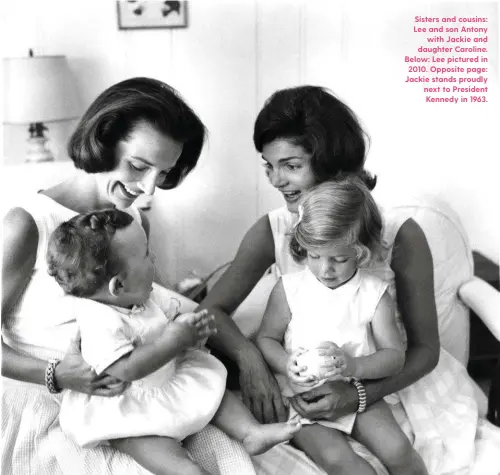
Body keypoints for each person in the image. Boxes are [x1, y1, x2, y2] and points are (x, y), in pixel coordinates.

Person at [1, 77, 254, 474]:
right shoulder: (27, 224)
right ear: (104, 140)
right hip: (58, 400)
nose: (149, 188)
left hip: (143, 393)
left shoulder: (134, 221)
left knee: (228, 461)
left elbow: (156, 302)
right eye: (138, 166)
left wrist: (244, 352)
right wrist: (58, 376)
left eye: (163, 172)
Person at [199, 85, 441, 428]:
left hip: (389, 386)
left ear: (330, 161)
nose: (276, 180)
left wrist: (358, 394)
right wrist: (249, 357)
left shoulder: (402, 234)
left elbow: (426, 350)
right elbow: (209, 312)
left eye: (291, 165)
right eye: (269, 166)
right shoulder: (273, 228)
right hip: (307, 387)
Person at [45, 209, 299, 475]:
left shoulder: (142, 297)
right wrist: (173, 340)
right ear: (118, 286)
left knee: (213, 388)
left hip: (165, 378)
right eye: (145, 255)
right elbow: (127, 370)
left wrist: (190, 335)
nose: (153, 257)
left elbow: (176, 315)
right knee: (156, 450)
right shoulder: (98, 320)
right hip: (128, 406)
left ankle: (251, 432)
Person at [256, 177, 427, 475]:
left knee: (398, 449)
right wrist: (286, 364)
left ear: (361, 252)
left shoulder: (373, 293)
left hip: (357, 391)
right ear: (302, 247)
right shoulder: (288, 289)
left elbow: (394, 356)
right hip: (303, 400)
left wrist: (353, 366)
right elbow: (267, 337)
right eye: (314, 255)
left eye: (339, 258)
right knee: (340, 461)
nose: (326, 269)